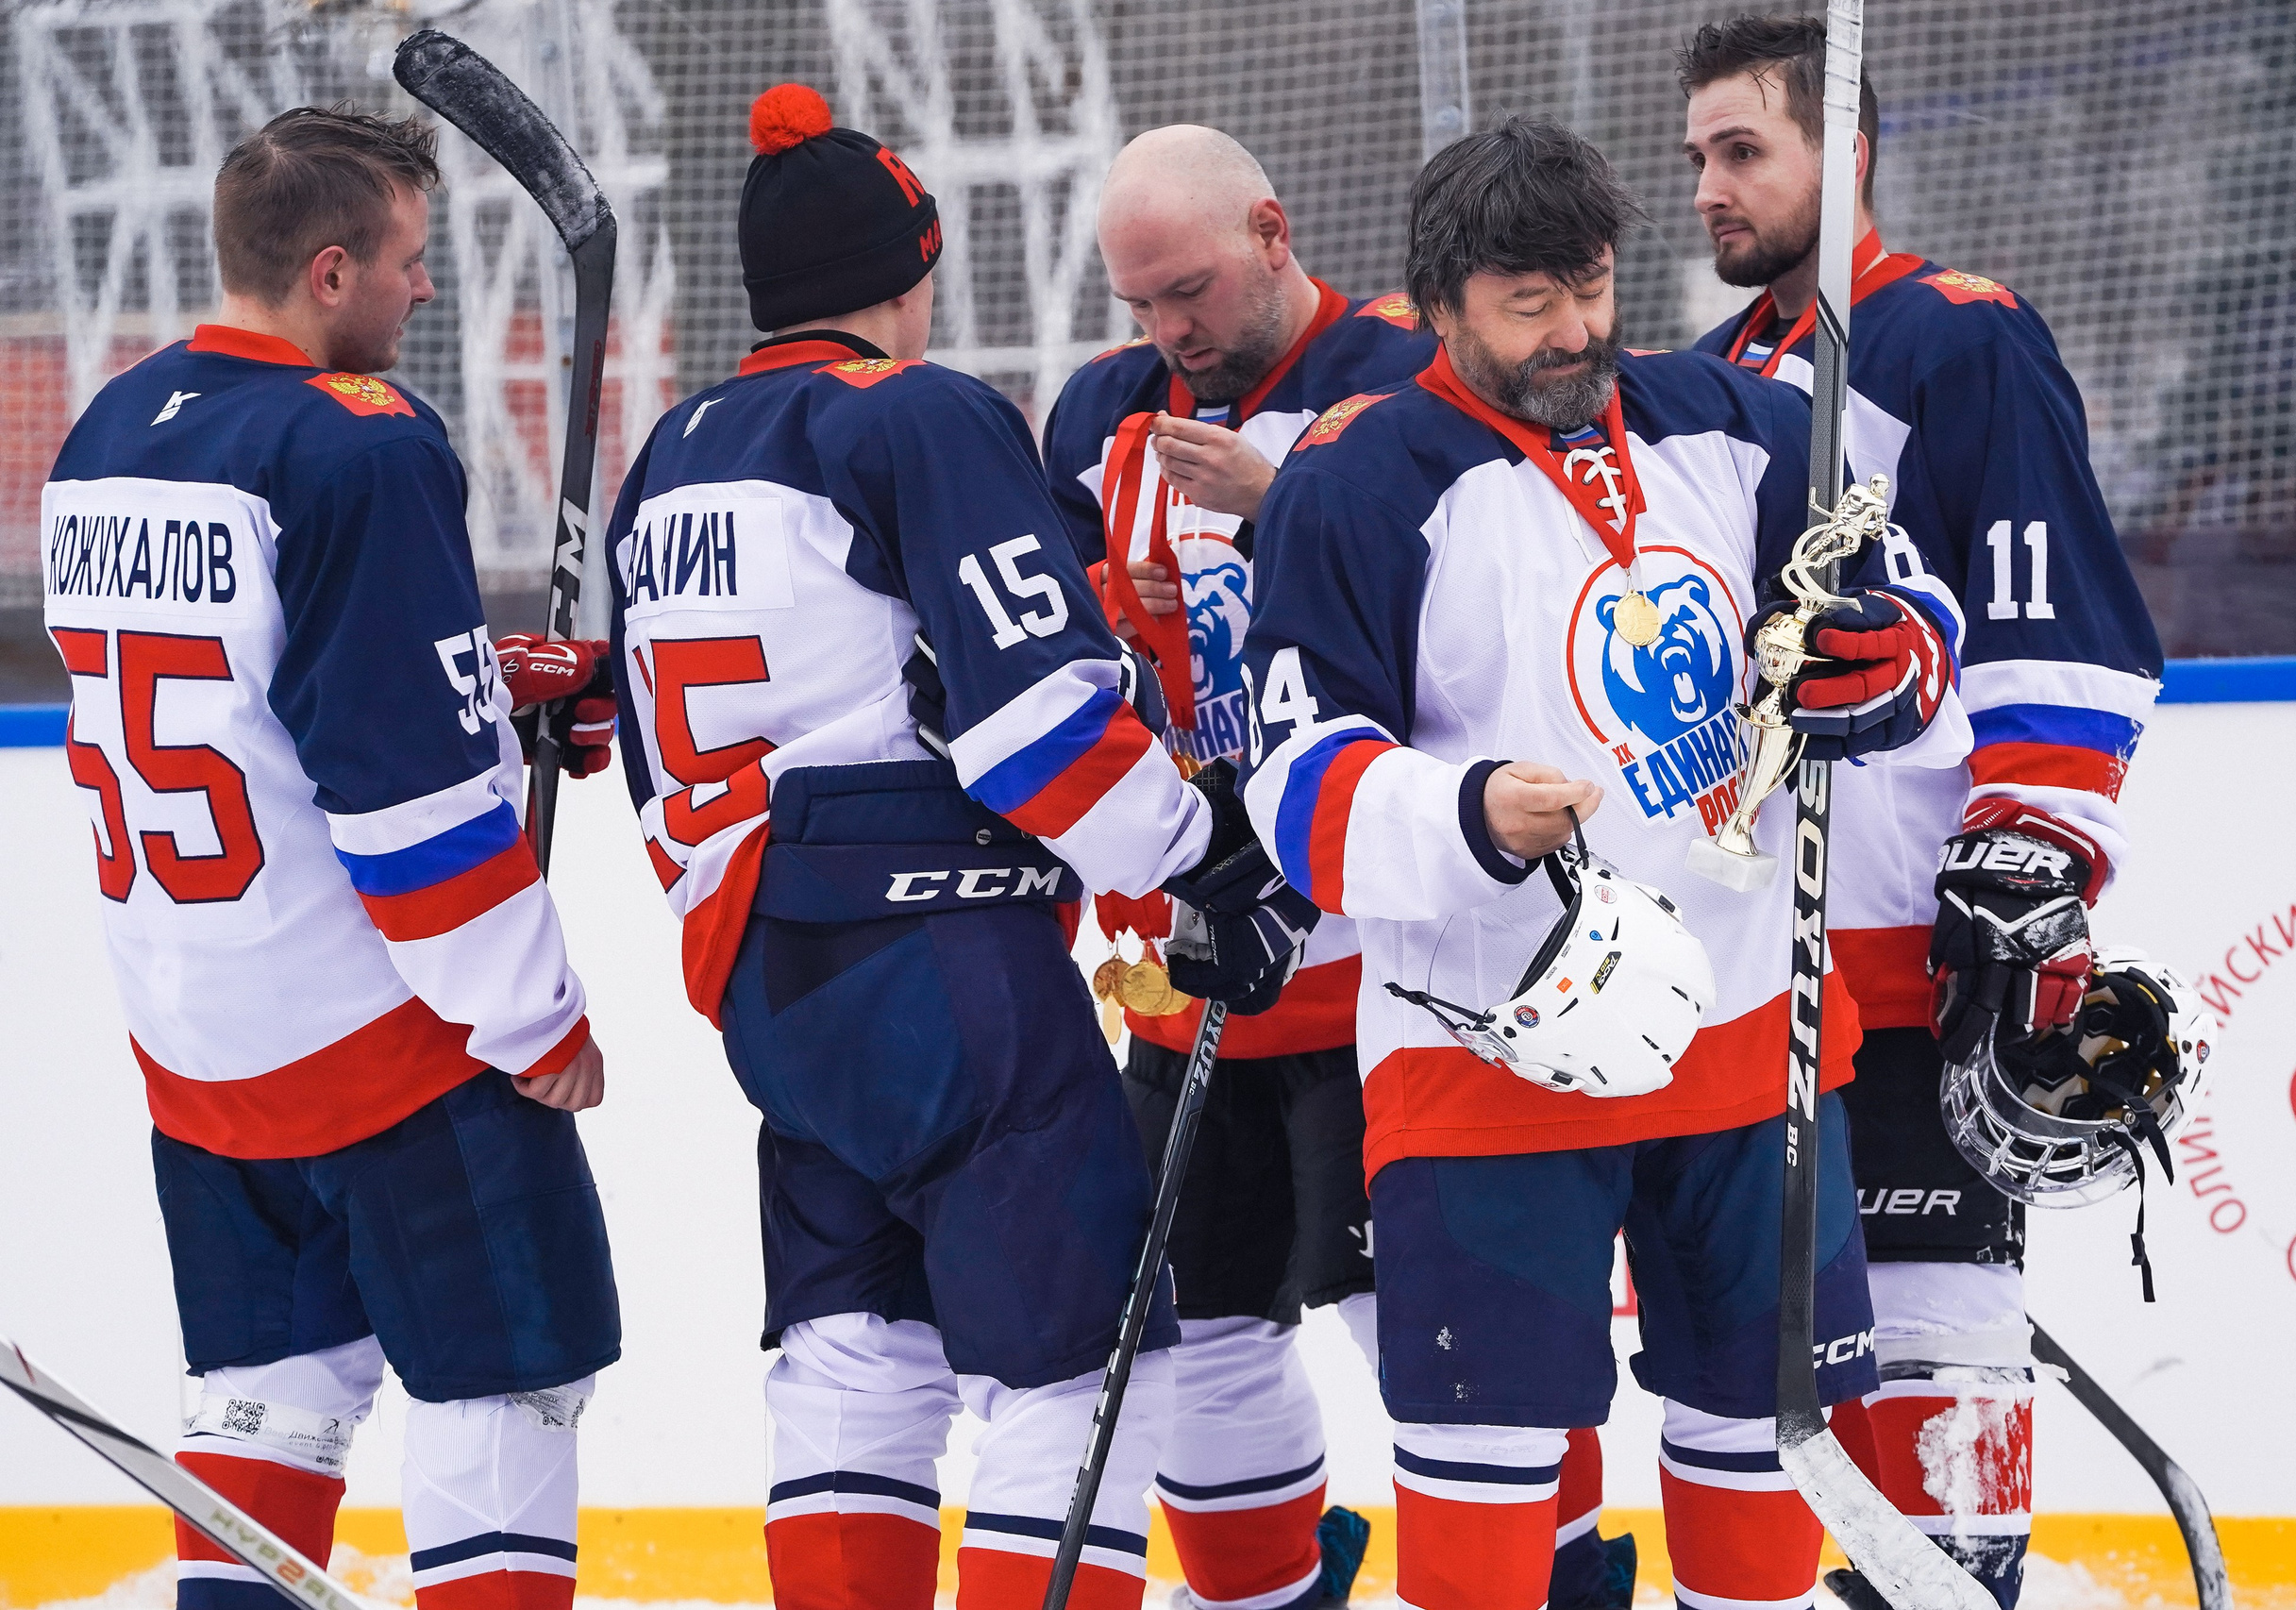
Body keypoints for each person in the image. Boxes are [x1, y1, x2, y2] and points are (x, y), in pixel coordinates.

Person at [1235, 114, 1972, 1610]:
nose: (1576, 330)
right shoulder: (1360, 481)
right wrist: (1461, 812)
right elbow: (1293, 778)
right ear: (1441, 305)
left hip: (1751, 1040)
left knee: (1761, 1450)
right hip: (1489, 1062)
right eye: (1531, 303)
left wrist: (1883, 668)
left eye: (1590, 287)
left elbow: (1917, 622)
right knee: (1489, 1463)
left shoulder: (1739, 419)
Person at [602, 86, 1311, 1610]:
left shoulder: (667, 456)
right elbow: (1037, 731)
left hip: (765, 977)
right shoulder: (914, 412)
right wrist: (1207, 861)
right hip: (941, 959)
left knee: (858, 1349)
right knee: (1083, 1365)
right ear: (912, 272)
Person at [40, 108, 620, 1609]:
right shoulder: (357, 441)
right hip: (388, 1038)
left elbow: (227, 691)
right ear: (331, 269)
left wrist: (475, 677)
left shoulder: (108, 428)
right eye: (414, 265)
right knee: (509, 1384)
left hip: (200, 1036)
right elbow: (404, 805)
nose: (426, 294)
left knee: (267, 1396)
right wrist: (536, 1015)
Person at [1680, 18, 2165, 1608]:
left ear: (1848, 149)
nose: (1709, 189)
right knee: (1774, 1403)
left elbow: (2063, 628)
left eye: (1743, 150)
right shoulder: (1726, 380)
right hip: (1759, 973)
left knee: (1935, 1375)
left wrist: (2027, 850)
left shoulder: (1958, 342)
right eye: (1695, 158)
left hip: (1908, 954)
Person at [1039, 125, 1485, 1610]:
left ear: (1275, 230)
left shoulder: (1407, 375)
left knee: (1418, 1327)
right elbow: (1045, 652)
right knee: (1201, 1327)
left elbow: (1489, 612)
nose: (1170, 332)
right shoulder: (1104, 411)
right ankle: (1272, 1592)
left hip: (1379, 984)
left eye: (1191, 290)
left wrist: (1282, 497)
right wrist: (1110, 599)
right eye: (1142, 303)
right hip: (1191, 972)